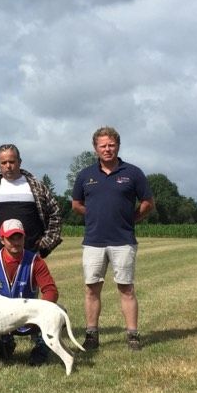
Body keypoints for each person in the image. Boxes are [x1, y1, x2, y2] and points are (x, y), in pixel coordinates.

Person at [71, 126, 155, 351]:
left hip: (123, 240)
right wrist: (94, 215)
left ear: (118, 146)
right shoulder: (85, 175)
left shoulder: (133, 173)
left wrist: (131, 218)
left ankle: (132, 335)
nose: (107, 149)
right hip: (93, 241)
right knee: (91, 289)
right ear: (95, 148)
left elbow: (147, 202)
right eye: (103, 146)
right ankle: (91, 335)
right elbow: (76, 204)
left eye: (111, 145)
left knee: (126, 288)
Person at [0, 219, 58, 367]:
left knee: (58, 312)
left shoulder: (35, 261)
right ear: (2, 239)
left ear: (24, 237)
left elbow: (50, 291)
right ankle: (4, 348)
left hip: (28, 319)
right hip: (0, 321)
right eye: (10, 238)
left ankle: (40, 351)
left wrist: (39, 314)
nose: (15, 242)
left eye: (18, 237)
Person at [0, 144, 62, 258]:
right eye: (3, 163)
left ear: (20, 161)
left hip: (32, 256)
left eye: (12, 162)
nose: (8, 166)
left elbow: (55, 214)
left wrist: (48, 242)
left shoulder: (37, 188)